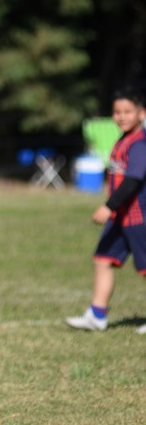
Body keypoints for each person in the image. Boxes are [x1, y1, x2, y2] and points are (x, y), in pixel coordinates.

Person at [66, 87, 146, 335]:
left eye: (127, 111)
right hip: (120, 217)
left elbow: (133, 180)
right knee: (103, 259)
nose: (121, 116)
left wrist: (108, 205)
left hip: (138, 217)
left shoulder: (140, 144)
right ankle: (97, 315)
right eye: (117, 112)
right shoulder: (123, 140)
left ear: (142, 113)